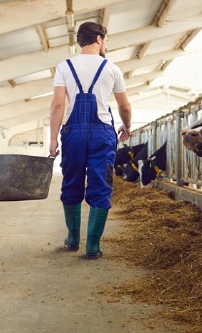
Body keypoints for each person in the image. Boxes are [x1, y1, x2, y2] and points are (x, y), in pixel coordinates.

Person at [49, 21, 132, 259]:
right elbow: (124, 106)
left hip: (72, 134)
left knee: (71, 181)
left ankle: (73, 238)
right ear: (98, 39)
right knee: (101, 185)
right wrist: (126, 127)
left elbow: (57, 104)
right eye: (105, 40)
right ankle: (93, 246)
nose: (106, 44)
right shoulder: (112, 68)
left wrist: (53, 139)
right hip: (102, 134)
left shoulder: (64, 66)